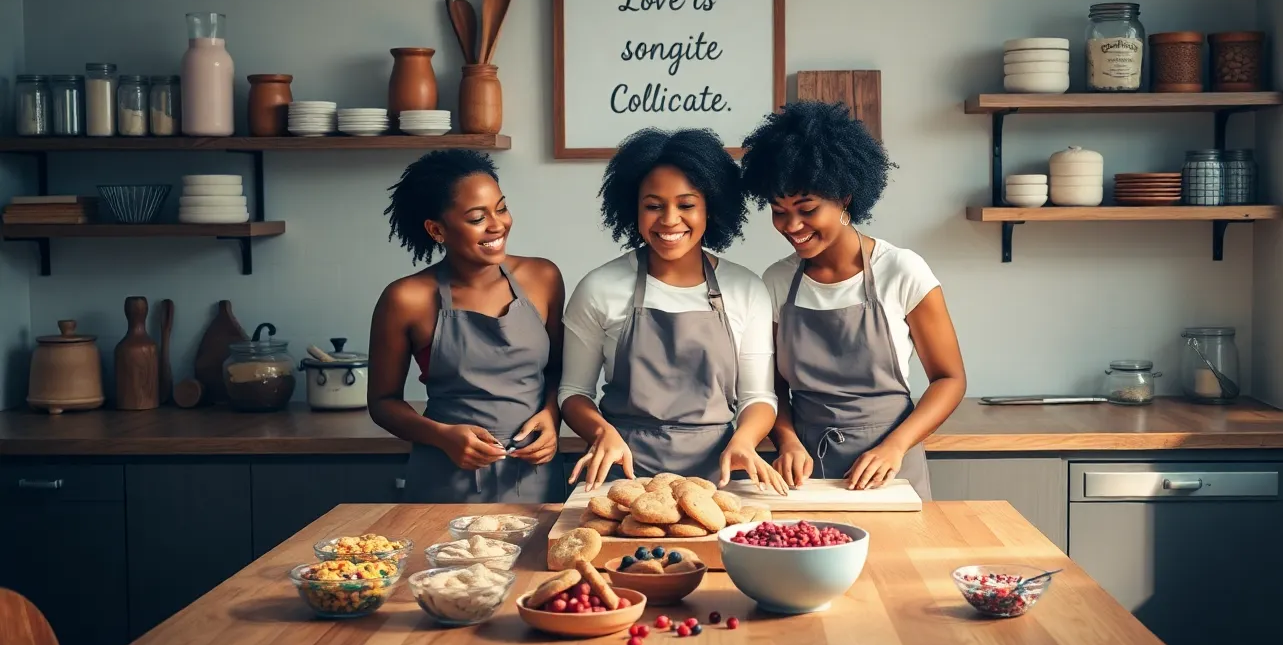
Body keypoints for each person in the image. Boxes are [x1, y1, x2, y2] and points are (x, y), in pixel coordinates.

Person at [739, 101, 967, 499]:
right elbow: (770, 387)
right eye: (779, 212)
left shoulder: (901, 271)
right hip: (803, 474)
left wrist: (895, 446)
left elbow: (950, 379)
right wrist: (788, 441)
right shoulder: (777, 281)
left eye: (807, 210)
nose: (792, 226)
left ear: (845, 198)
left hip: (890, 468)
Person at [559, 128, 788, 494]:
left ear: (710, 207)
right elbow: (573, 391)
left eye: (686, 205)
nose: (669, 219)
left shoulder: (745, 289)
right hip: (623, 476)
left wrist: (744, 441)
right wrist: (602, 433)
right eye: (653, 205)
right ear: (633, 208)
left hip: (721, 476)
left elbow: (758, 397)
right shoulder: (599, 287)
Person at [368, 149, 566, 503]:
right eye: (477, 218)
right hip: (446, 476)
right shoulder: (406, 298)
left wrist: (552, 417)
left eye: (501, 208)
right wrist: (443, 436)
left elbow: (558, 373)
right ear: (437, 229)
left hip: (534, 471)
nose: (497, 225)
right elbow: (383, 403)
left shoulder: (543, 277)